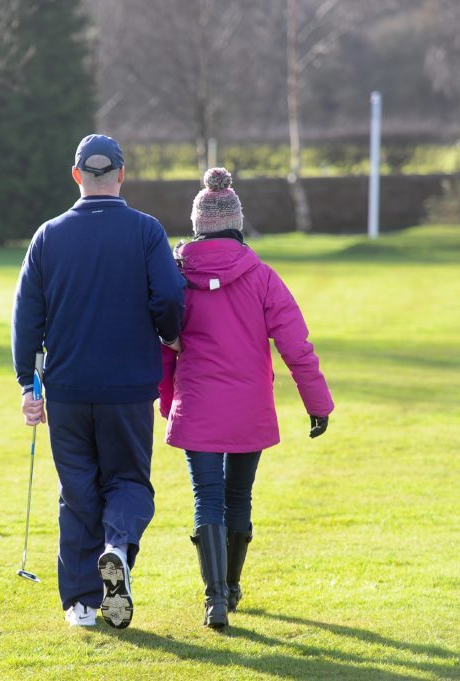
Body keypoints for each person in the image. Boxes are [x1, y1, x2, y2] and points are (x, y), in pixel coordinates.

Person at [12, 134, 185, 628]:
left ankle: (84, 605)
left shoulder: (48, 235)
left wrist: (29, 384)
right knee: (128, 481)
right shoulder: (147, 231)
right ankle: (116, 549)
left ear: (76, 176)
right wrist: (169, 335)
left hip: (66, 389)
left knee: (79, 490)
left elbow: (27, 319)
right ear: (122, 176)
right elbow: (170, 298)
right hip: (128, 387)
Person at [158, 167, 334, 630]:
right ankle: (231, 587)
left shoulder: (175, 276)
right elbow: (296, 346)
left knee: (207, 497)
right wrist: (318, 403)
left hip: (197, 402)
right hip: (248, 403)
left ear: (198, 225)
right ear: (236, 223)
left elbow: (162, 340)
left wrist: (166, 399)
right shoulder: (262, 276)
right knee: (239, 495)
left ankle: (214, 599)